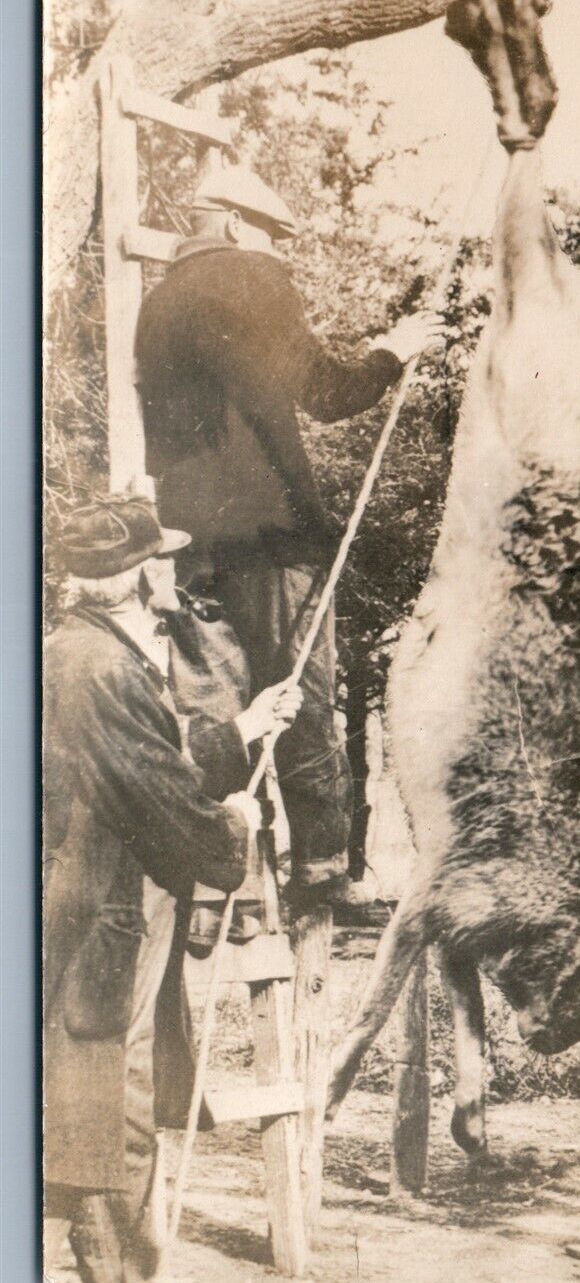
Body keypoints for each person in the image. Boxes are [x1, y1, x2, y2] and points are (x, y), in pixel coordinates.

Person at [135, 164, 444, 912]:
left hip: (182, 541)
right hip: (270, 535)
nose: (278, 252)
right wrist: (395, 348)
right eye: (273, 236)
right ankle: (322, 874)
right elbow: (329, 393)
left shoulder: (154, 305)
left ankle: (219, 890)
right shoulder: (253, 276)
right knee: (299, 692)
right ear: (239, 226)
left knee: (213, 705)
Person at [43, 495, 302, 1283]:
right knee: (103, 1098)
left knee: (95, 1091)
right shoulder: (99, 667)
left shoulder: (78, 652)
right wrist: (234, 823)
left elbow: (149, 758)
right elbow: (156, 792)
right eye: (163, 558)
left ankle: (116, 1281)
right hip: (106, 913)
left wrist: (245, 729)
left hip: (99, 904)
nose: (175, 569)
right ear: (131, 576)